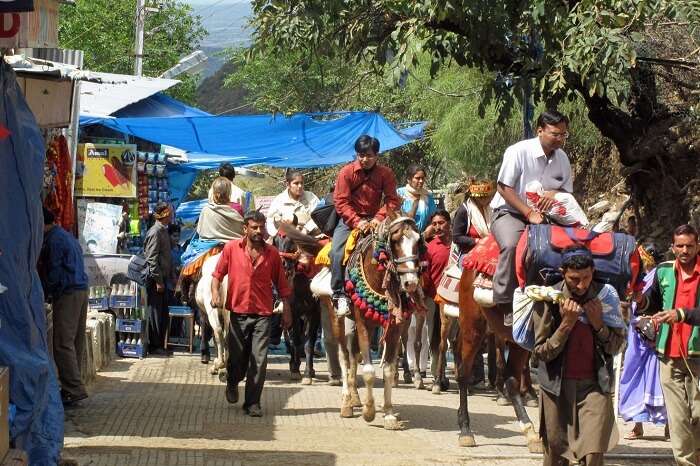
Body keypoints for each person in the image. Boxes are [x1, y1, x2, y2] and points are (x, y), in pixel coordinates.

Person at [532, 245, 626, 466]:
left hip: (594, 387)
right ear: (563, 272)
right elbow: (540, 353)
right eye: (574, 279)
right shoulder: (549, 299)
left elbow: (617, 346)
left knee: (593, 454)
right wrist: (566, 325)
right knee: (555, 454)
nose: (581, 285)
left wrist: (599, 325)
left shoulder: (605, 297)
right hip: (556, 388)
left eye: (586, 277)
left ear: (593, 271)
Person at [490, 110, 573, 324]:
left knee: (573, 244)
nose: (560, 139)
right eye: (555, 134)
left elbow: (566, 191)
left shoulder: (562, 158)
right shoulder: (518, 151)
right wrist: (529, 213)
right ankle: (506, 301)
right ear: (540, 131)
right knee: (512, 244)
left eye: (564, 135)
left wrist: (553, 195)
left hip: (548, 215)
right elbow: (503, 187)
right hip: (511, 211)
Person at [211, 210, 293, 417]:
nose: (258, 231)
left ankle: (253, 403)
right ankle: (232, 380)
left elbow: (282, 286)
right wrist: (215, 294)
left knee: (259, 359)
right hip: (237, 313)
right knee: (238, 359)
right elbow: (217, 275)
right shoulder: (231, 249)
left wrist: (286, 311)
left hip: (263, 315)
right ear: (245, 229)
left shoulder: (272, 253)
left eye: (261, 227)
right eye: (254, 227)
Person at [636, 224, 700, 466]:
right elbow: (652, 304)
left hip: (697, 356)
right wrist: (641, 302)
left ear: (698, 246)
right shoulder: (662, 271)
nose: (684, 250)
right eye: (680, 246)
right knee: (678, 418)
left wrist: (682, 315)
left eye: (689, 245)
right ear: (672, 248)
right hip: (668, 355)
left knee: (698, 415)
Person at [331, 135, 401, 316]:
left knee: (400, 246)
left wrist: (378, 217)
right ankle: (339, 294)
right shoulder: (346, 173)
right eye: (361, 155)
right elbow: (340, 202)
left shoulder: (386, 173)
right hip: (350, 220)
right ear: (356, 154)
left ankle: (400, 290)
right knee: (337, 252)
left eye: (369, 155)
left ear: (377, 155)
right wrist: (357, 221)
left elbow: (392, 200)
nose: (364, 159)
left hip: (377, 219)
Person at [40, 207, 89, 405]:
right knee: (73, 341)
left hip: (68, 292)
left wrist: (44, 294)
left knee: (62, 342)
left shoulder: (54, 240)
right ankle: (73, 386)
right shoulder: (65, 235)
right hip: (80, 290)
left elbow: (54, 272)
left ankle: (73, 388)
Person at [619, 243, 668, 441]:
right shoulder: (635, 279)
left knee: (659, 378)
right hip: (636, 335)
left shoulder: (660, 276)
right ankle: (637, 424)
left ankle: (668, 425)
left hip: (655, 334)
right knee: (634, 375)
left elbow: (661, 303)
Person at [419, 210, 452, 383]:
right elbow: (424, 275)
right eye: (435, 224)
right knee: (434, 336)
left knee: (453, 338)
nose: (438, 227)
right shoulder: (430, 247)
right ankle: (438, 374)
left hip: (454, 299)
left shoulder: (457, 246)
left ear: (449, 223)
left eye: (441, 223)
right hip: (432, 297)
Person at [143, 202, 175, 356]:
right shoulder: (155, 232)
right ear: (165, 215)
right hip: (157, 281)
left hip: (164, 280)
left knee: (161, 314)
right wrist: (159, 281)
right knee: (155, 314)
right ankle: (154, 346)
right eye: (170, 212)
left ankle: (160, 345)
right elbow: (151, 259)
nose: (172, 215)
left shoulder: (163, 231)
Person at [266, 170, 320, 237]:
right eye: (296, 183)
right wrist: (278, 235)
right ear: (288, 185)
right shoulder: (279, 201)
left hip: (310, 237)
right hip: (286, 239)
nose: (300, 186)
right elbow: (270, 221)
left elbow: (319, 217)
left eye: (301, 183)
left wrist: (306, 229)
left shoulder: (311, 197)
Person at [452, 180, 494, 255]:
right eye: (484, 197)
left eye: (488, 197)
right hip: (469, 252)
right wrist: (476, 241)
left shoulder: (490, 209)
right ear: (478, 197)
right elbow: (456, 237)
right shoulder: (464, 211)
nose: (488, 200)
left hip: (489, 250)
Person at [198, 177, 245, 242]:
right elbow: (243, 229)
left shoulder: (206, 209)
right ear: (229, 192)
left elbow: (200, 231)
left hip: (208, 249)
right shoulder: (236, 208)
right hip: (232, 247)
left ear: (213, 192)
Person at [397, 164, 435, 233]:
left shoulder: (428, 197)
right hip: (402, 236)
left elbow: (433, 219)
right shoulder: (399, 194)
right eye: (417, 178)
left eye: (423, 178)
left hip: (423, 237)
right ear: (409, 179)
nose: (421, 181)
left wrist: (424, 235)